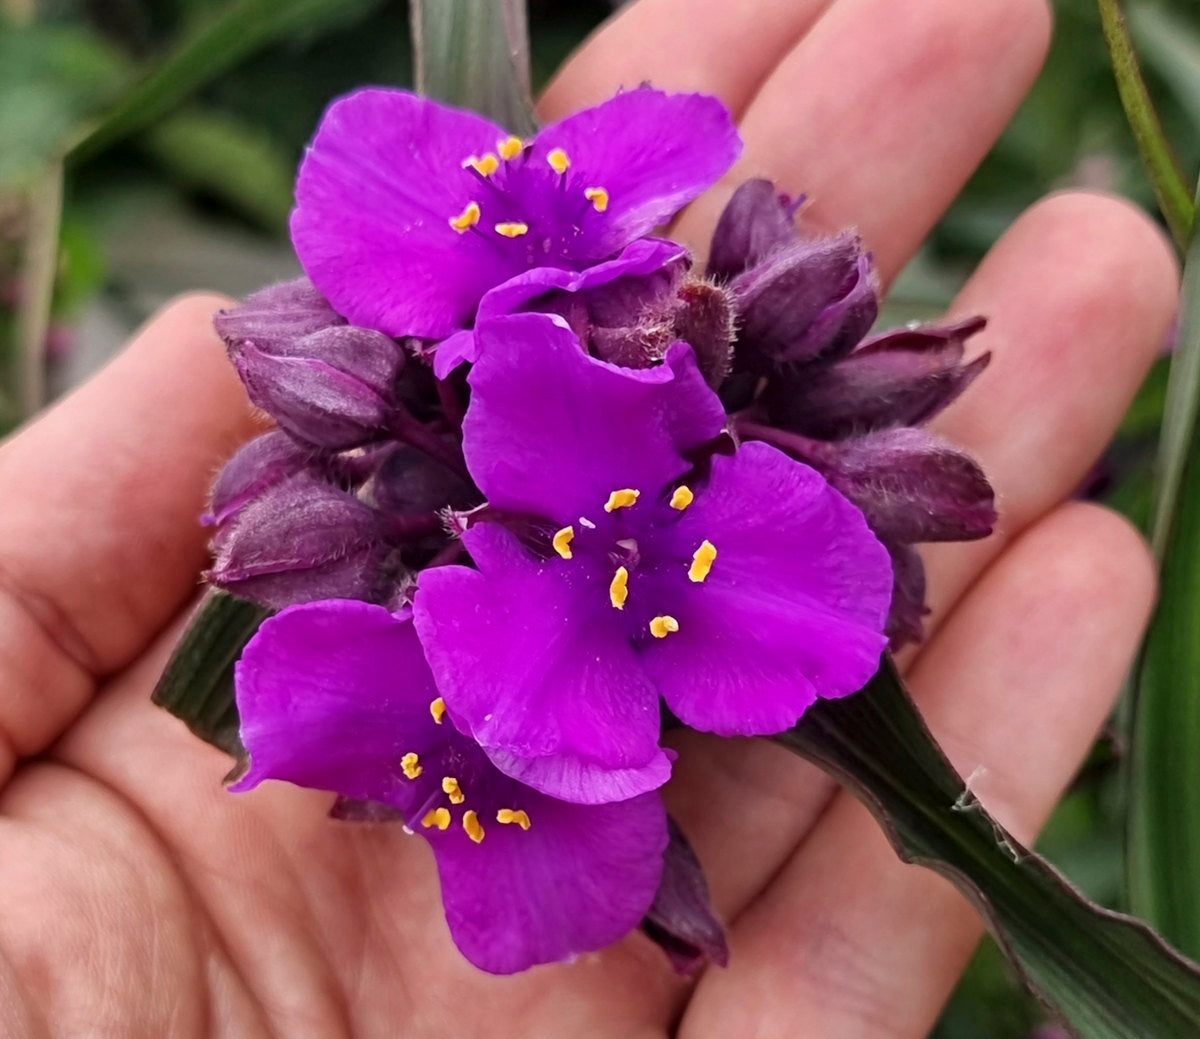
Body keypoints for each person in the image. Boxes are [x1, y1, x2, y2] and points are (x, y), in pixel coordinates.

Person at [0, 0, 1178, 1035]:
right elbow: (499, 686)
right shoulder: (519, 553)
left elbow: (605, 371)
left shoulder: (574, 404)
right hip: (527, 556)